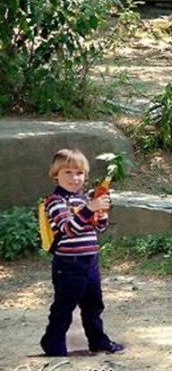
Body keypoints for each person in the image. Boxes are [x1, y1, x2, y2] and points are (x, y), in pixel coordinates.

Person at [40, 148, 124, 357]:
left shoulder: (83, 198)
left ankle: (98, 341)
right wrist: (90, 208)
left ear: (85, 176)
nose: (74, 178)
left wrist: (100, 215)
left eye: (79, 173)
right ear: (55, 175)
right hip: (68, 264)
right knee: (64, 306)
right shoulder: (55, 201)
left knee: (94, 306)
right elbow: (67, 228)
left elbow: (97, 228)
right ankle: (53, 344)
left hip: (90, 260)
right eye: (67, 172)